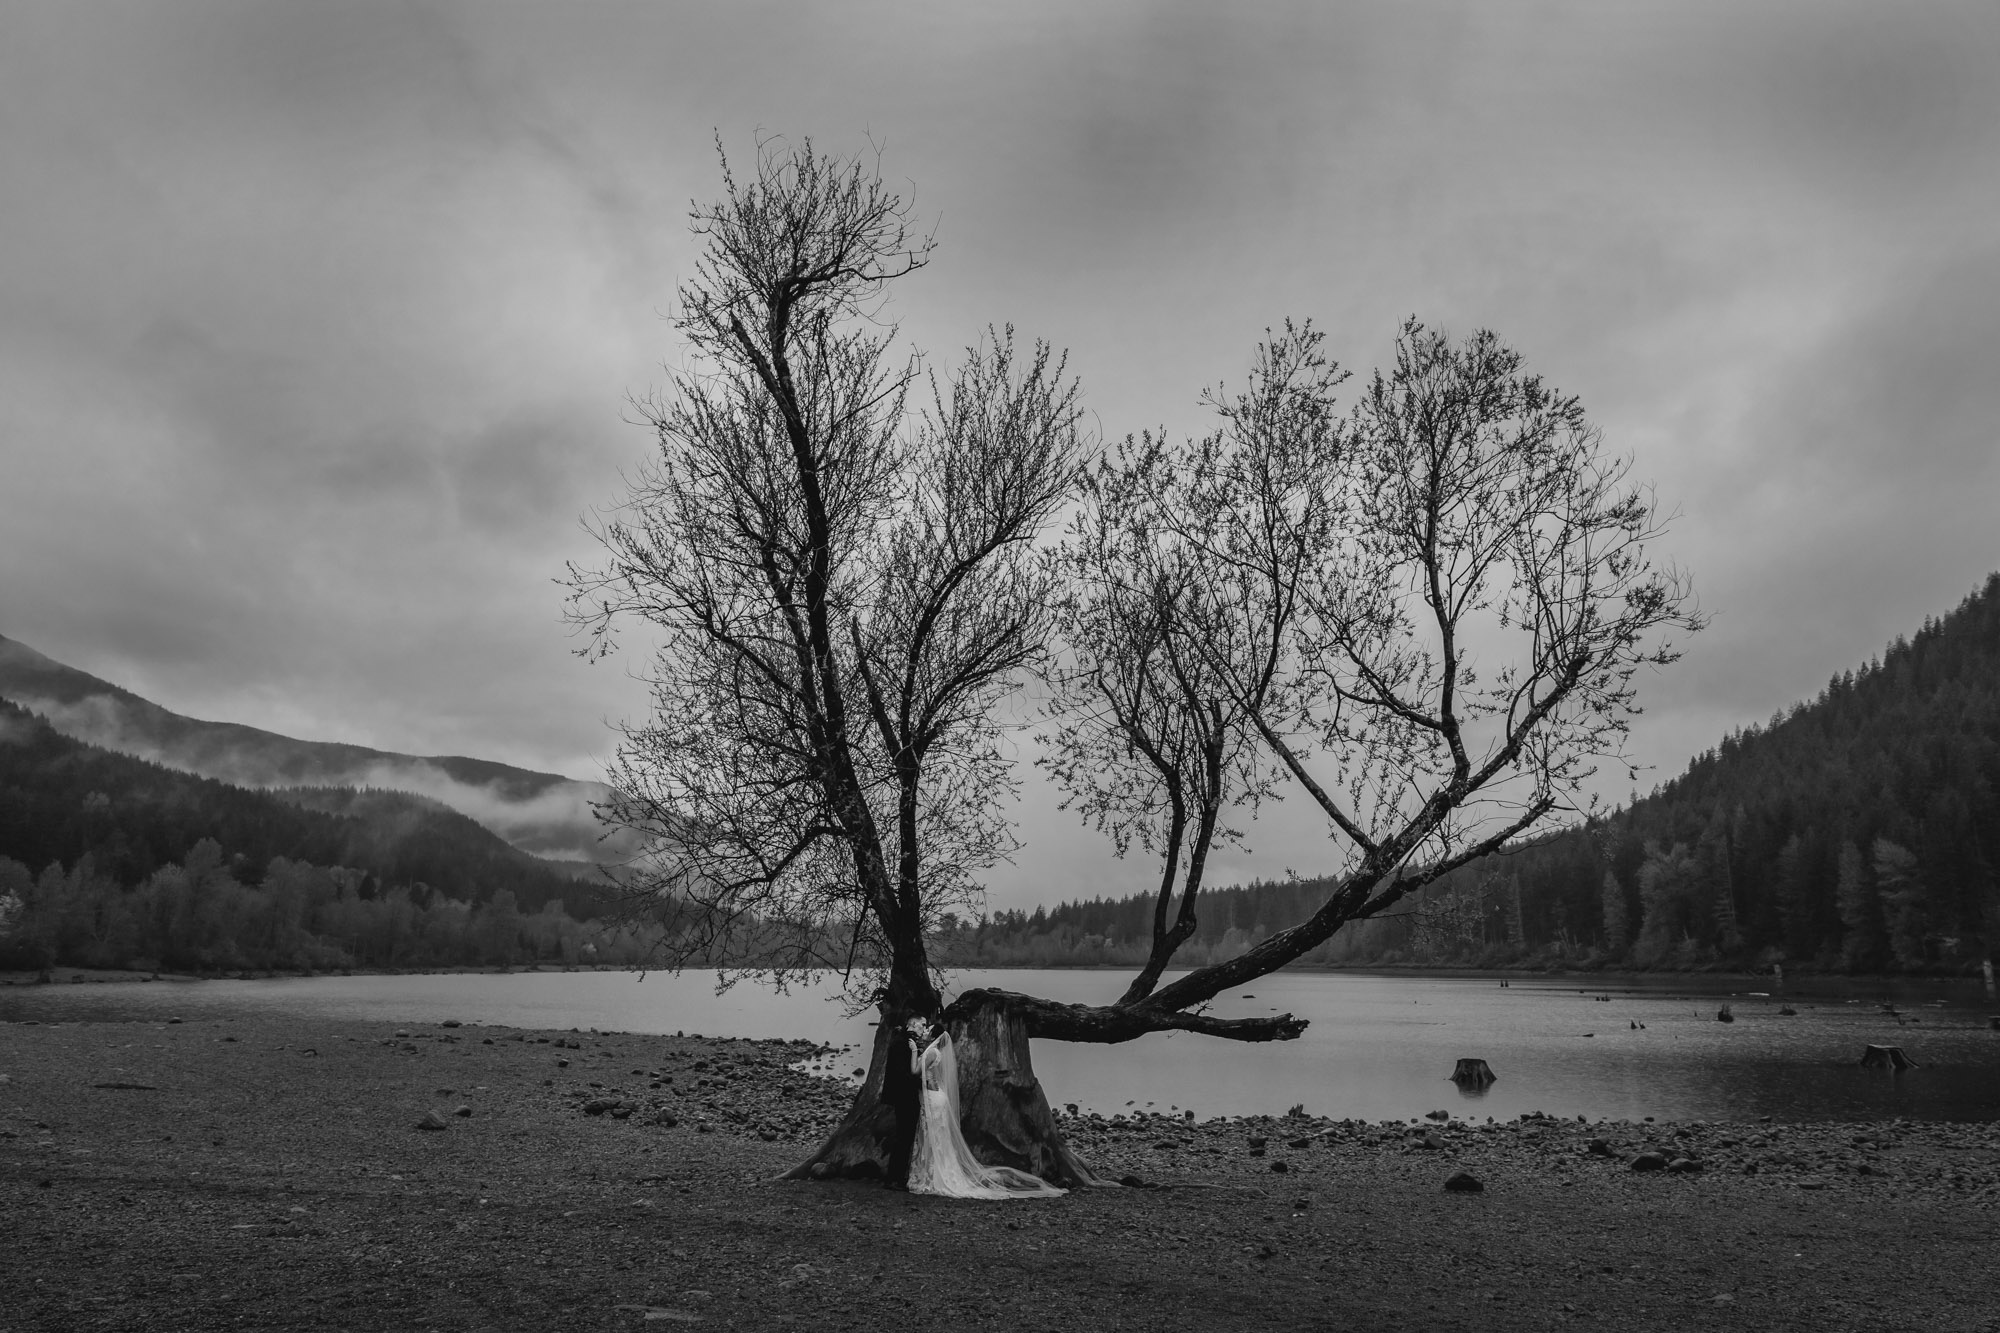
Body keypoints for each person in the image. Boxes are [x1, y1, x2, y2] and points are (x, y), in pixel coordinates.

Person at [904, 1019, 1064, 1200]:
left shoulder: (931, 1052)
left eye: (928, 1030)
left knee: (934, 1136)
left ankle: (935, 1175)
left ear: (934, 1036)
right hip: (934, 1096)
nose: (925, 1031)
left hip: (933, 1098)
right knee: (935, 1136)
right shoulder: (934, 1051)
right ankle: (932, 1173)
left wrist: (914, 1050)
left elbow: (915, 1071)